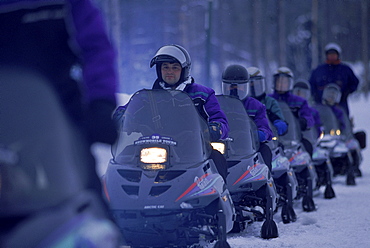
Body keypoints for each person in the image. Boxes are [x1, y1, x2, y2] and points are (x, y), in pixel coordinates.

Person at [0, 0, 120, 246]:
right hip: (4, 124)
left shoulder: (68, 4)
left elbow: (96, 49)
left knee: (87, 204)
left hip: (59, 123)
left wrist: (102, 102)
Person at [115, 44, 229, 180]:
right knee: (122, 160)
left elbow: (220, 120)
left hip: (192, 151)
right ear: (159, 70)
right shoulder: (147, 96)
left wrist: (215, 129)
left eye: (175, 68)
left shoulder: (202, 94)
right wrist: (122, 118)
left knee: (216, 158)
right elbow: (125, 110)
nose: (170, 71)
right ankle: (116, 195)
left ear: (184, 70)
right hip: (152, 149)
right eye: (165, 67)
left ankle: (219, 197)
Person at [221, 64, 274, 171]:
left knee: (265, 150)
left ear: (246, 87)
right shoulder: (218, 103)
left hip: (248, 144)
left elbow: (265, 128)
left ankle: (266, 180)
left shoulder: (256, 106)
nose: (235, 90)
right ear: (224, 87)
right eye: (231, 86)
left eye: (239, 86)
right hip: (224, 142)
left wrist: (258, 134)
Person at [269, 67, 315, 156]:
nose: (281, 84)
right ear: (274, 82)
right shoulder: (268, 99)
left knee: (308, 149)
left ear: (290, 83)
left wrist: (304, 122)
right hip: (273, 138)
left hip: (294, 138)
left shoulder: (299, 101)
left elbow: (309, 117)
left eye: (285, 82)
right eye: (279, 81)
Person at [309, 42, 359, 115]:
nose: (332, 56)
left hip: (340, 105)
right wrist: (316, 95)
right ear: (326, 55)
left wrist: (347, 92)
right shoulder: (319, 70)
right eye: (330, 54)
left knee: (342, 124)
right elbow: (311, 84)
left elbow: (354, 82)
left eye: (334, 54)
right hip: (321, 105)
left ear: (338, 55)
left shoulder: (345, 69)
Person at [246, 66, 288, 136]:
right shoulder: (241, 103)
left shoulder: (269, 102)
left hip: (266, 138)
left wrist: (278, 125)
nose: (254, 88)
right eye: (251, 85)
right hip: (244, 138)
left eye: (257, 84)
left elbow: (279, 117)